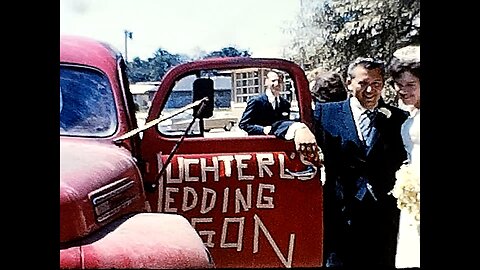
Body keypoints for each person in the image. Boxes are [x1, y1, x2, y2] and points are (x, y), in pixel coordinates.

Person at [272, 57, 409, 267]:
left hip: (384, 220)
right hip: (340, 219)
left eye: (376, 84)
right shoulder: (327, 113)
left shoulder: (397, 118)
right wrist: (298, 129)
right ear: (349, 83)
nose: (370, 91)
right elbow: (272, 125)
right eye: (363, 84)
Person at [388, 45, 420, 269]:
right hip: (411, 197)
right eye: (399, 85)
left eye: (411, 85)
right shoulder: (409, 116)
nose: (404, 90)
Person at [238, 70, 291, 135]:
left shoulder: (285, 104)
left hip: (278, 143)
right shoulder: (256, 101)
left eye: (279, 81)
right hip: (259, 142)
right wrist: (263, 129)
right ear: (266, 81)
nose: (277, 84)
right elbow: (243, 124)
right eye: (273, 81)